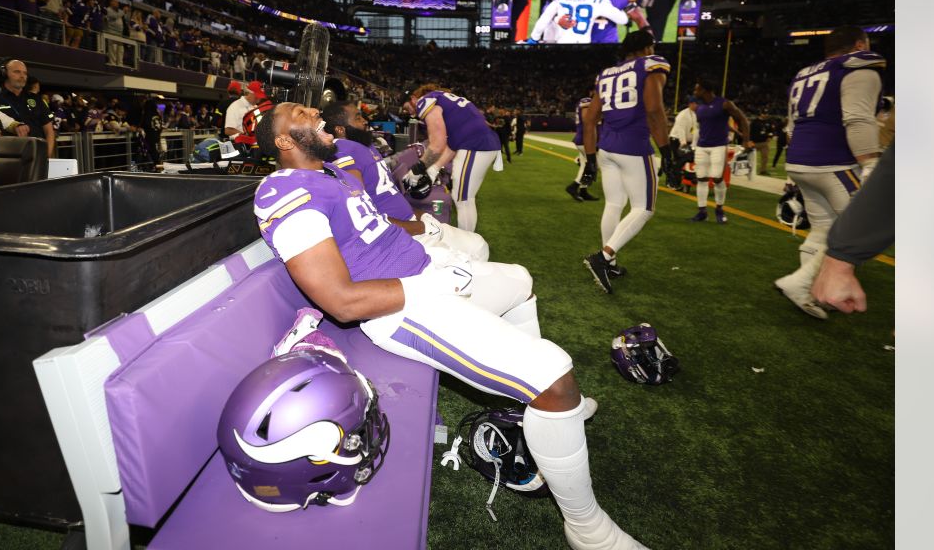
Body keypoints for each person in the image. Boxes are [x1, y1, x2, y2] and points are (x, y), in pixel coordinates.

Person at [253, 102, 648, 550]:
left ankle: (528, 409)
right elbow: (341, 302)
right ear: (283, 141)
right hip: (402, 309)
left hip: (425, 272)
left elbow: (376, 231)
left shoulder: (334, 174)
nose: (311, 108)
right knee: (555, 375)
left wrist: (433, 244)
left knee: (520, 280)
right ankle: (587, 528)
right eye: (296, 112)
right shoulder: (282, 191)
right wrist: (428, 285)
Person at [774, 26, 887, 319]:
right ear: (860, 44)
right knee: (861, 228)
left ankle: (808, 291)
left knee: (824, 228)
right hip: (833, 162)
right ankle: (800, 284)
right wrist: (871, 163)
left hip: (800, 159)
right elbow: (858, 119)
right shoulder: (858, 65)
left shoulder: (805, 72)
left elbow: (790, 125)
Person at [323, 101, 489, 261]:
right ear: (340, 130)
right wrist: (419, 227)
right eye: (358, 118)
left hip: (410, 222)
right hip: (396, 235)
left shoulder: (364, 146)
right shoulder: (343, 149)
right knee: (475, 253)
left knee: (478, 245)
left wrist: (421, 215)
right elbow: (360, 212)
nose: (365, 121)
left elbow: (390, 195)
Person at [578, 31, 678, 293]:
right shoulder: (651, 63)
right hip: (633, 147)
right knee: (644, 208)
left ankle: (609, 262)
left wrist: (590, 160)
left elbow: (590, 120)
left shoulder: (606, 73)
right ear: (648, 47)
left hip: (607, 148)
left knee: (614, 204)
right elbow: (654, 108)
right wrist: (667, 152)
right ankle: (604, 256)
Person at [810, 141, 894, 314]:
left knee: (821, 225)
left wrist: (841, 258)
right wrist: (842, 257)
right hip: (830, 165)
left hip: (805, 161)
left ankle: (799, 283)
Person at [404, 84, 501, 233]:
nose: (409, 111)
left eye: (407, 107)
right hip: (482, 143)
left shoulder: (425, 101)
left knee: (463, 199)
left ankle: (468, 245)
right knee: (463, 197)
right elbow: (452, 145)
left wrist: (418, 169)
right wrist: (433, 169)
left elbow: (437, 143)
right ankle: (468, 241)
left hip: (476, 145)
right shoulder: (446, 103)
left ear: (414, 98)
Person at [688, 79, 753, 224]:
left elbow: (743, 120)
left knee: (717, 178)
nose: (694, 92)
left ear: (705, 90)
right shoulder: (699, 108)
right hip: (702, 146)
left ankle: (719, 209)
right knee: (701, 178)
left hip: (718, 145)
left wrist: (745, 140)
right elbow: (707, 126)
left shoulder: (724, 103)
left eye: (696, 89)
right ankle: (702, 211)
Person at [0, 59, 56, 156]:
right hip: (5, 158)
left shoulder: (36, 99)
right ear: (4, 74)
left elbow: (49, 131)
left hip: (36, 156)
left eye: (25, 73)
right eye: (17, 72)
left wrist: (47, 156)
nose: (22, 76)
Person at [565, 93, 598, 202]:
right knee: (590, 165)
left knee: (587, 165)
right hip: (585, 139)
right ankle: (573, 187)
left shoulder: (588, 101)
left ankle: (583, 191)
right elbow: (586, 119)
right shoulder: (586, 100)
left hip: (585, 138)